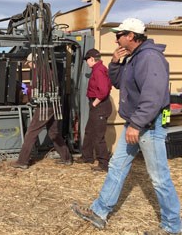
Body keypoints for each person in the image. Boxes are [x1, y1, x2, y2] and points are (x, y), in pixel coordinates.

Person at [71, 18, 181, 235]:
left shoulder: (150, 58)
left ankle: (173, 227)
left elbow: (153, 96)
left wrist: (136, 124)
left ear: (131, 36)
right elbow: (120, 83)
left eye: (119, 35)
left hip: (147, 125)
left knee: (159, 177)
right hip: (136, 123)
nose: (115, 39)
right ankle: (99, 212)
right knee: (117, 167)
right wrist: (114, 63)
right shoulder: (134, 58)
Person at [11, 53, 73, 169]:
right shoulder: (47, 71)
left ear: (33, 62)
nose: (29, 66)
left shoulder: (39, 72)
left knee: (31, 132)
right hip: (53, 104)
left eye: (29, 63)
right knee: (53, 133)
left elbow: (41, 90)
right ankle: (67, 158)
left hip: (45, 105)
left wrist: (27, 90)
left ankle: (22, 161)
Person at [74, 48, 112, 172]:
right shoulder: (98, 69)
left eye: (87, 61)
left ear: (91, 59)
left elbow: (104, 90)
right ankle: (87, 156)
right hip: (98, 106)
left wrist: (95, 103)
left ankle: (103, 163)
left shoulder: (99, 71)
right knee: (89, 131)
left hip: (100, 106)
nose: (86, 63)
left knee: (98, 135)